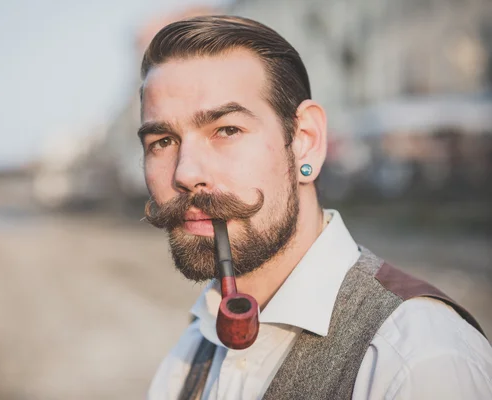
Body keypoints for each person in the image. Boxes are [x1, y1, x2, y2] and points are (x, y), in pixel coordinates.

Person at [137, 15, 492, 399]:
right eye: (162, 141)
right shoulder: (192, 351)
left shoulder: (418, 361)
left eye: (227, 130)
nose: (186, 174)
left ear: (306, 140)